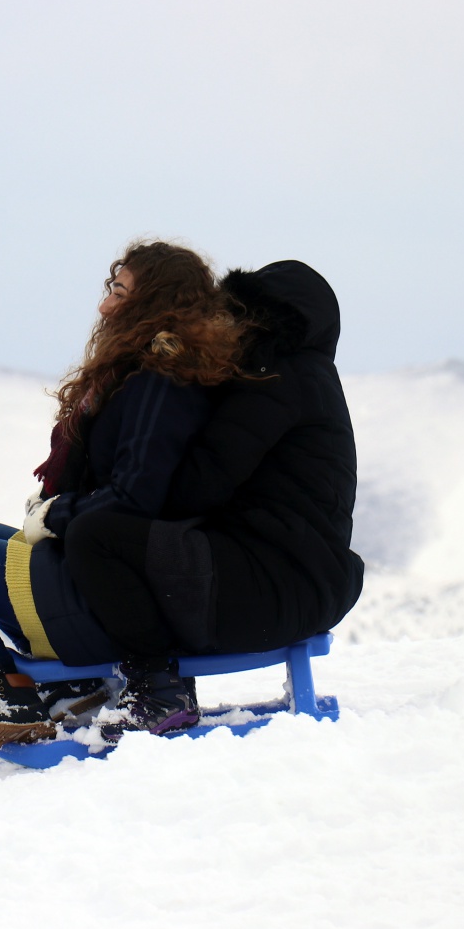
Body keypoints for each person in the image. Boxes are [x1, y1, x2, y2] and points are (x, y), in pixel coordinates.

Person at [0, 241, 247, 753]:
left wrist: (58, 513)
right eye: (111, 289)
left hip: (109, 584)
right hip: (98, 565)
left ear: (156, 302)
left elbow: (137, 496)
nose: (105, 305)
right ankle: (75, 686)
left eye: (120, 292)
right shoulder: (142, 373)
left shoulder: (159, 383)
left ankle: (7, 692)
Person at [67, 260, 365, 667]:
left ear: (260, 319)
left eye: (233, 312)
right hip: (301, 578)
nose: (219, 323)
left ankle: (157, 687)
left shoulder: (275, 379)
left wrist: (133, 485)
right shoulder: (308, 378)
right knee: (112, 533)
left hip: (276, 587)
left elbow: (199, 485)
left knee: (96, 535)